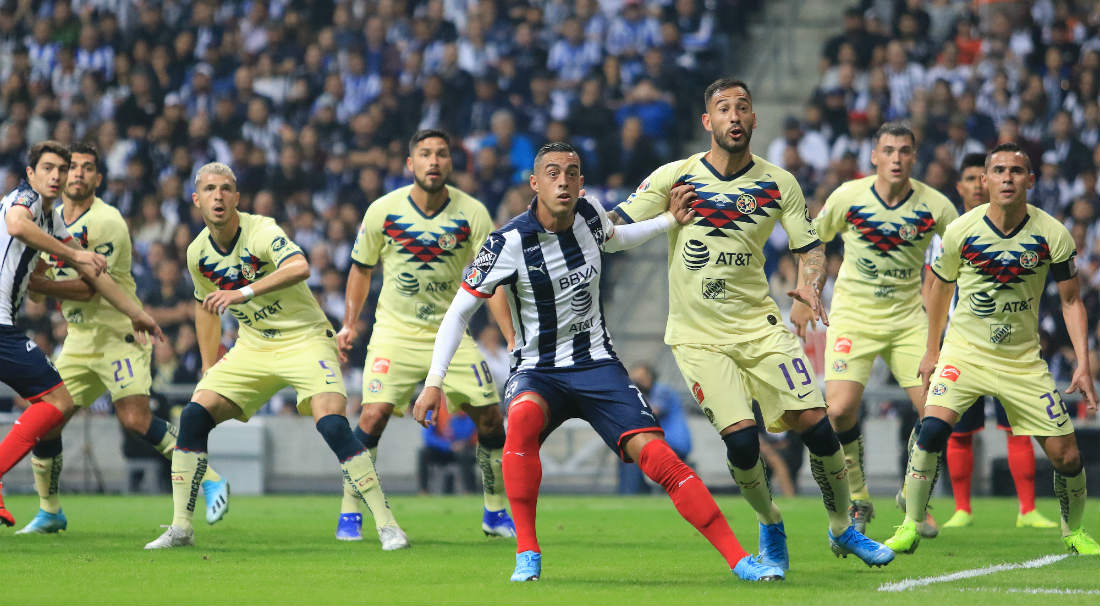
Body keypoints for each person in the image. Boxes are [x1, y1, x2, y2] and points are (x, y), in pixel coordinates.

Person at [413, 142, 784, 583]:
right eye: (552, 173)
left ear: (581, 182)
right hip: (537, 369)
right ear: (535, 183)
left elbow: (616, 238)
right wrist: (434, 380)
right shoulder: (507, 242)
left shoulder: (590, 214)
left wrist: (668, 220)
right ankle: (527, 552)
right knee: (524, 420)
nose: (563, 181)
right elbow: (458, 312)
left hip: (598, 366)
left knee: (660, 458)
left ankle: (740, 560)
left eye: (572, 172)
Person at [610, 78, 893, 572]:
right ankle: (769, 521)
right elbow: (612, 231)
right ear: (708, 122)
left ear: (754, 119)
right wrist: (658, 222)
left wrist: (809, 286)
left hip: (760, 328)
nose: (735, 116)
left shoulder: (778, 183)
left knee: (817, 426)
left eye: (743, 107)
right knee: (742, 442)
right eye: (724, 108)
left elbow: (810, 247)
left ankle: (842, 528)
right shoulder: (675, 177)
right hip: (698, 337)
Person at [143, 163, 397, 550]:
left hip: (306, 339)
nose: (218, 196)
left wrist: (242, 294)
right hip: (254, 346)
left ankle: (387, 524)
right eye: (210, 189)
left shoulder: (261, 230)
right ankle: (181, 527)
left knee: (331, 425)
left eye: (226, 188)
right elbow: (204, 307)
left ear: (237, 198)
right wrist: (210, 367)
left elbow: (300, 266)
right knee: (194, 415)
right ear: (196, 200)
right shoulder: (197, 252)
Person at [885, 143, 1100, 556]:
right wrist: (933, 351)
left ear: (1030, 180)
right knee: (932, 429)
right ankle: (911, 523)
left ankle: (1073, 531)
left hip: (1022, 361)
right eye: (998, 170)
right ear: (985, 180)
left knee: (1068, 456)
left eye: (1016, 171)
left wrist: (1084, 363)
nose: (1007, 178)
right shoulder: (961, 231)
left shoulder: (1052, 233)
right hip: (965, 354)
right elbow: (940, 289)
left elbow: (1071, 301)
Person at [18, 142, 228, 535]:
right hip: (80, 338)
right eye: (71, 167)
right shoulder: (49, 219)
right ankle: (50, 510)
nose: (77, 174)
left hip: (119, 333)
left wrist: (40, 283)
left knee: (135, 419)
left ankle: (211, 476)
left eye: (87, 168)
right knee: (48, 421)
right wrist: (36, 284)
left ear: (98, 178)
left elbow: (90, 288)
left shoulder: (107, 222)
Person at [335, 129, 514, 543]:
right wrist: (349, 322)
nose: (434, 161)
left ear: (450, 164)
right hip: (394, 334)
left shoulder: (472, 214)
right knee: (371, 416)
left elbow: (494, 280)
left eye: (442, 154)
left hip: (450, 334)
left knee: (489, 416)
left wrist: (509, 335)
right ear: (409, 164)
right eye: (425, 154)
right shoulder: (383, 211)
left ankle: (494, 510)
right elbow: (361, 268)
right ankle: (350, 509)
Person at [791, 122, 958, 538]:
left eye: (904, 150)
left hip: (908, 321)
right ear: (874, 156)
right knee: (841, 409)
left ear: (914, 157)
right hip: (854, 317)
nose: (897, 158)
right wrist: (804, 293)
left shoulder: (935, 206)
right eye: (888, 150)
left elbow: (962, 253)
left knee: (934, 412)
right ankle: (859, 497)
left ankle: (914, 497)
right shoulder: (849, 197)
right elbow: (815, 240)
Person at [0, 140, 161, 527]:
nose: (57, 176)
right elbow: (17, 226)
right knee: (57, 401)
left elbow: (93, 275)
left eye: (62, 168)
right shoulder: (25, 200)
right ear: (31, 174)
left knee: (56, 402)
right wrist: (73, 255)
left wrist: (137, 313)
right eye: (49, 168)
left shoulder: (52, 219)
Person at [931, 153, 1057, 530]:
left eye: (977, 177)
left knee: (1016, 427)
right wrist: (934, 342)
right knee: (958, 429)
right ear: (967, 185)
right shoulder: (952, 233)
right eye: (969, 178)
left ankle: (1028, 509)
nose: (975, 185)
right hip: (965, 345)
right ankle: (962, 509)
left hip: (1012, 347)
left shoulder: (1028, 228)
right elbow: (935, 287)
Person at [617, 363, 692, 494]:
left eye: (641, 380)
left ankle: (631, 495)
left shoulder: (661, 391)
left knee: (634, 455)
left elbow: (652, 412)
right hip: (660, 442)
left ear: (651, 377)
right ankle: (637, 494)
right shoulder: (646, 395)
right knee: (628, 456)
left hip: (673, 443)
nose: (638, 383)